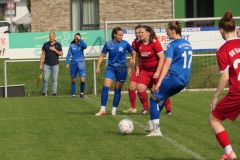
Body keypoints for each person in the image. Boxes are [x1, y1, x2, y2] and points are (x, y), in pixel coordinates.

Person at [146, 21, 192, 136]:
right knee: (162, 98)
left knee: (153, 98)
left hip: (174, 77)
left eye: (167, 31)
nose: (167, 34)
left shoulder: (172, 44)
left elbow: (166, 64)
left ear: (172, 30)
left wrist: (159, 81)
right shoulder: (187, 43)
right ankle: (152, 122)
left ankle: (156, 129)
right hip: (184, 80)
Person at [208, 11, 239, 160]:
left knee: (213, 119)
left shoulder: (222, 50)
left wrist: (215, 97)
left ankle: (229, 152)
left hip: (237, 94)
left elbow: (225, 77)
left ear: (221, 30)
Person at [123, 25, 172, 115]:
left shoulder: (155, 42)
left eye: (142, 32)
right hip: (145, 71)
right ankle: (146, 108)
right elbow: (137, 56)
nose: (140, 34)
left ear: (148, 33)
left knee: (160, 90)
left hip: (157, 70)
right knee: (140, 88)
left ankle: (168, 109)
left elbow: (161, 58)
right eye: (138, 33)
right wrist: (137, 68)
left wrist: (157, 72)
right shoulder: (137, 43)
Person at [95, 27, 136, 116]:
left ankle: (114, 110)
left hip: (122, 69)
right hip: (111, 68)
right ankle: (102, 109)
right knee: (105, 88)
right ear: (114, 34)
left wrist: (130, 67)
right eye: (119, 35)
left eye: (122, 35)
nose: (121, 37)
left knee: (117, 90)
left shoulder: (125, 44)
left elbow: (133, 53)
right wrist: (97, 66)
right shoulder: (108, 43)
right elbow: (102, 55)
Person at [39, 32, 63, 96]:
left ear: (55, 37)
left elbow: (61, 54)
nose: (51, 37)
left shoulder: (58, 44)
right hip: (47, 64)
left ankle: (54, 93)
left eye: (52, 36)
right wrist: (41, 64)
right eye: (50, 36)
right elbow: (42, 54)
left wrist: (54, 50)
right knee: (45, 79)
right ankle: (44, 92)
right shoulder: (46, 44)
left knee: (54, 79)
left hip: (55, 65)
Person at [66, 33, 87, 98]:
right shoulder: (72, 46)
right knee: (73, 79)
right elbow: (68, 54)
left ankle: (81, 93)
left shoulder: (81, 45)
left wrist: (80, 39)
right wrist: (67, 62)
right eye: (75, 37)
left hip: (81, 63)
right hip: (74, 63)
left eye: (77, 37)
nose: (76, 39)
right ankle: (73, 94)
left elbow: (85, 46)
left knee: (83, 79)